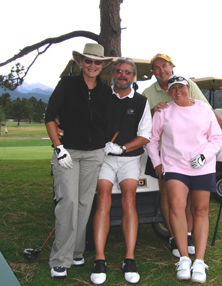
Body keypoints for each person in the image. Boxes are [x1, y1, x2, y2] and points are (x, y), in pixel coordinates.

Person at [142, 53, 222, 258]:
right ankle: (174, 235)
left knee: (189, 199)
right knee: (167, 195)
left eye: (165, 66)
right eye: (157, 68)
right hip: (164, 153)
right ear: (153, 72)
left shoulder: (187, 85)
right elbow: (143, 121)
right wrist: (153, 111)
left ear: (172, 67)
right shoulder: (147, 93)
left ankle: (186, 234)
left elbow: (206, 111)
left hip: (191, 153)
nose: (161, 70)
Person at [45, 43, 113, 279]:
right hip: (68, 153)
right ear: (81, 62)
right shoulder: (67, 84)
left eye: (97, 62)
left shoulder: (106, 91)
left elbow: (113, 121)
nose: (92, 65)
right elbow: (49, 116)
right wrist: (58, 147)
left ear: (102, 65)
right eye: (88, 60)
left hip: (94, 154)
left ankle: (76, 250)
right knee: (69, 202)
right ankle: (59, 259)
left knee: (85, 203)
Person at [147, 75, 222, 283]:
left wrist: (204, 156)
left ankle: (199, 260)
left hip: (202, 165)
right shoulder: (164, 111)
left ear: (188, 88)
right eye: (173, 88)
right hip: (174, 166)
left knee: (200, 210)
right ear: (169, 92)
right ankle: (183, 258)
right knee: (176, 206)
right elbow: (152, 141)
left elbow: (216, 138)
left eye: (181, 87)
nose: (177, 91)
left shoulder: (204, 109)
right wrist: (157, 164)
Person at [90, 58, 152, 285]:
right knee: (103, 196)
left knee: (129, 197)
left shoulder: (141, 102)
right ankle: (99, 258)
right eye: (119, 71)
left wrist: (123, 147)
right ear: (113, 74)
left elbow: (145, 135)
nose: (123, 75)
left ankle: (129, 258)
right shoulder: (103, 97)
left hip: (130, 159)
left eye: (127, 72)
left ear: (132, 76)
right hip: (104, 158)